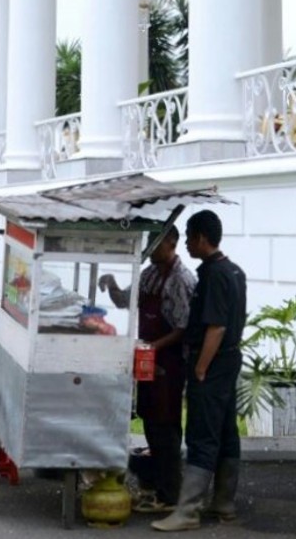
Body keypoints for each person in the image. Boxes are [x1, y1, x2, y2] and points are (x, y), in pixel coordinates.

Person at [152, 209, 247, 533]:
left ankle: (188, 510)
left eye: (190, 238)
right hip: (231, 360)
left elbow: (216, 327)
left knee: (201, 433)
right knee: (225, 430)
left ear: (202, 238)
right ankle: (223, 502)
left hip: (213, 361)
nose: (187, 245)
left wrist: (202, 367)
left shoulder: (214, 275)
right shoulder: (235, 271)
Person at [97, 225, 196, 514]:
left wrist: (154, 347)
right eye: (149, 243)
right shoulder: (150, 274)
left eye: (156, 242)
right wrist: (112, 283)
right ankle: (158, 486)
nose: (150, 248)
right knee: (151, 420)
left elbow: (182, 328)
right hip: (149, 359)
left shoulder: (181, 279)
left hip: (171, 363)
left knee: (166, 427)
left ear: (172, 242)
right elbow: (124, 300)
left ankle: (170, 495)